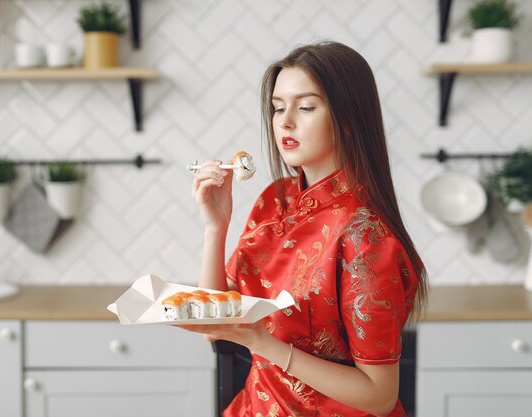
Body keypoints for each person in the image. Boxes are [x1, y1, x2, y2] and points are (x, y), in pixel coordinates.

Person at [183, 40, 428, 417]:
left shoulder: (366, 236)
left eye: (306, 107)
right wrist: (214, 228)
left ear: (349, 119)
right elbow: (215, 324)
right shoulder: (274, 199)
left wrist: (266, 345)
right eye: (278, 108)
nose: (285, 121)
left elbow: (379, 397)